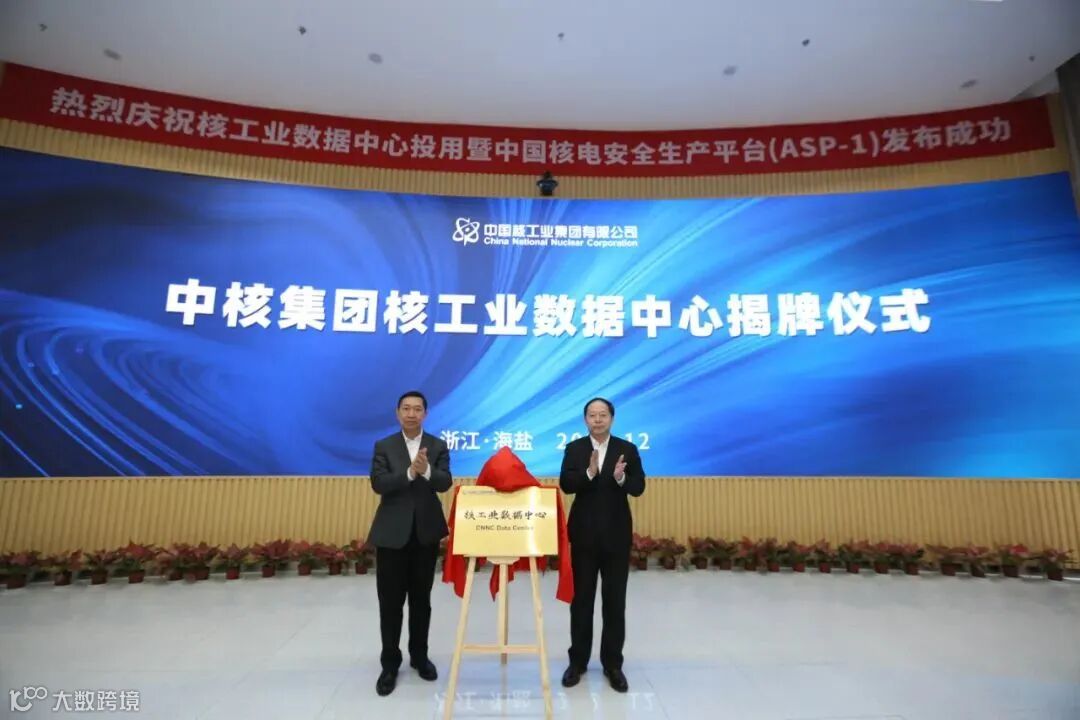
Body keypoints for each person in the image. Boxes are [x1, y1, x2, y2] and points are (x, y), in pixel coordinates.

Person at [368, 390, 453, 696]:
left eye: (418, 409)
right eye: (406, 408)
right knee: (390, 604)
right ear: (398, 413)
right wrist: (408, 472)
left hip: (424, 534)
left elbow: (444, 482)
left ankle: (420, 657)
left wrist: (426, 470)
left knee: (421, 601)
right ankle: (390, 664)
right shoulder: (384, 446)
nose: (411, 414)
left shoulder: (437, 445)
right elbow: (379, 483)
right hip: (392, 535)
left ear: (425, 414)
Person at [558, 397, 646, 693]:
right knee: (581, 602)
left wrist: (621, 478)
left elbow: (639, 487)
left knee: (614, 602)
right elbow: (567, 484)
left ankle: (613, 665)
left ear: (612, 418)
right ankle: (578, 662)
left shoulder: (627, 449)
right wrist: (589, 473)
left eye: (603, 415)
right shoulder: (575, 449)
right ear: (585, 420)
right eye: (592, 415)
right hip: (583, 536)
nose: (597, 420)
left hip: (616, 536)